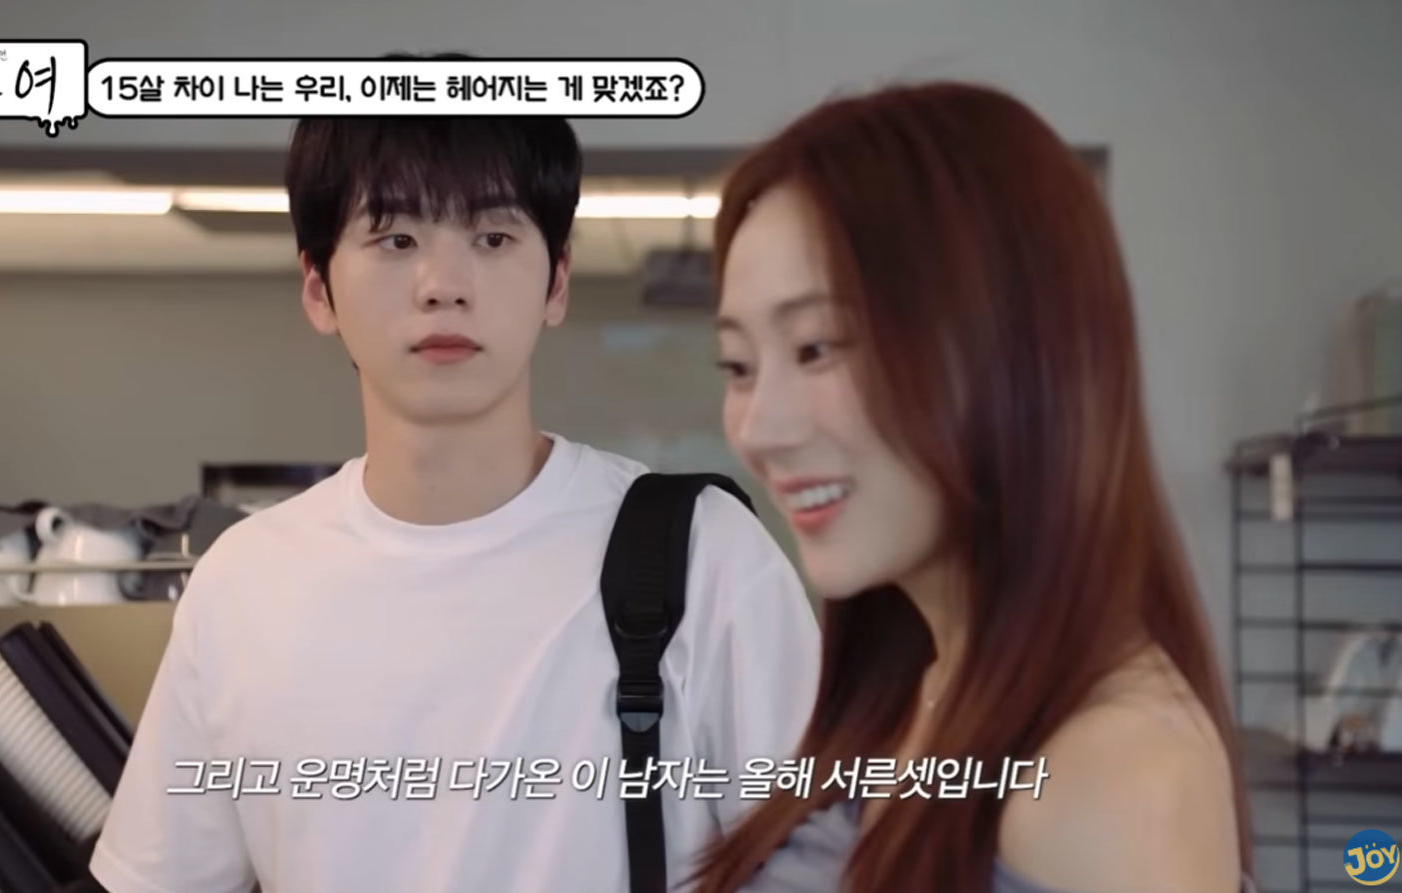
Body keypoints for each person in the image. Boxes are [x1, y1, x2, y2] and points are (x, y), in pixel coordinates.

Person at [86, 57, 822, 893]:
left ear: (557, 281)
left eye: (493, 238)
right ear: (318, 288)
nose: (443, 286)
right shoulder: (244, 585)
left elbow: (825, 868)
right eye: (395, 239)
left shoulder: (705, 557)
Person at [689, 81, 1255, 893]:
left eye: (817, 348)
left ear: (1009, 345)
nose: (757, 428)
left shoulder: (1116, 772)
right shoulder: (916, 682)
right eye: (738, 366)